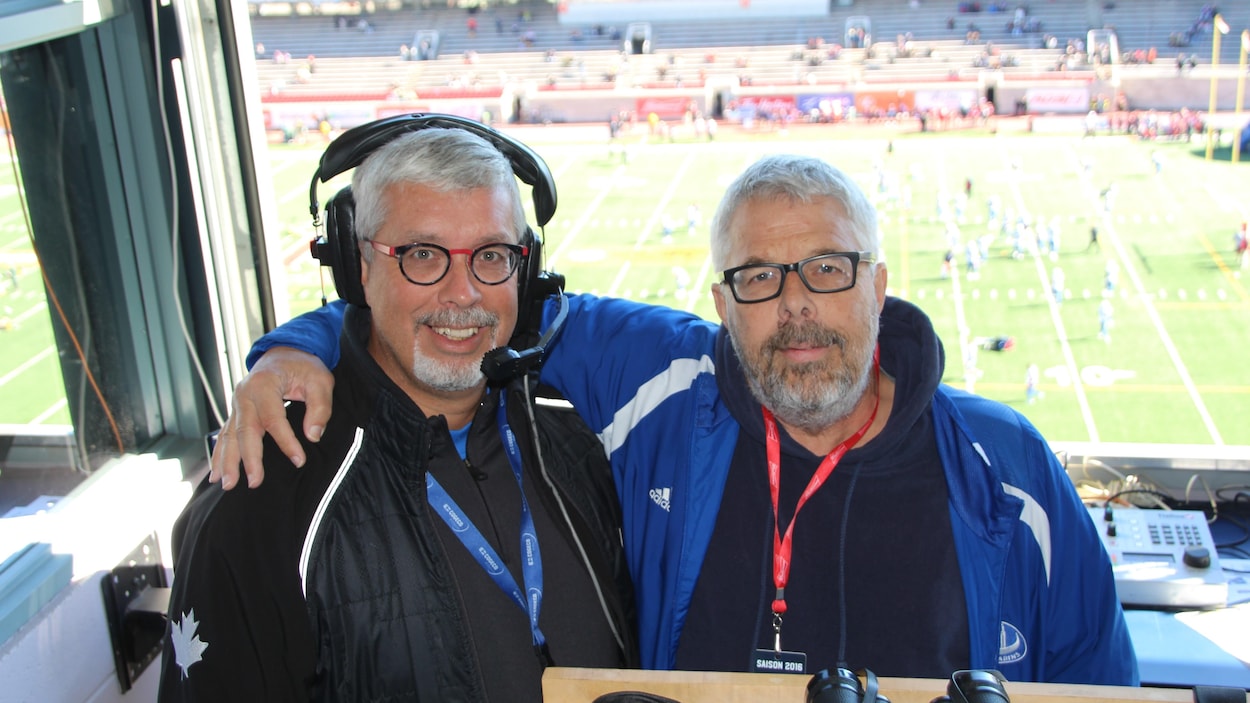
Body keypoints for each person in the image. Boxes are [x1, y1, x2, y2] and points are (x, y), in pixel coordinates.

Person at [213, 154, 1137, 685]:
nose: (796, 307)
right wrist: (299, 345)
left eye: (827, 269)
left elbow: (1105, 687)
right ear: (722, 304)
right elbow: (459, 307)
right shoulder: (665, 378)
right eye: (759, 279)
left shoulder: (1007, 468)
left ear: (879, 284)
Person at [158, 126, 637, 702]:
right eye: (423, 256)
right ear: (357, 264)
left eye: (491, 255)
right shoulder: (262, 494)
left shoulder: (579, 441)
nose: (464, 293)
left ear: (525, 270)